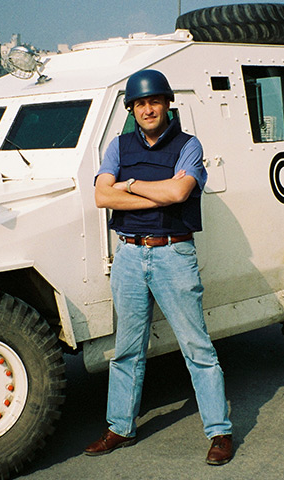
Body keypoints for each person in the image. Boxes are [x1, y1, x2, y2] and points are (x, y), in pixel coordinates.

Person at [85, 70, 233, 465]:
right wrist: (156, 191)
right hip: (130, 256)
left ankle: (219, 432)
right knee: (127, 350)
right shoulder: (118, 146)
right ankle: (120, 427)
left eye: (154, 101)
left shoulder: (188, 144)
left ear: (167, 103)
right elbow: (101, 196)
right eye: (140, 104)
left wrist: (129, 186)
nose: (147, 109)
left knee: (197, 347)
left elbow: (179, 191)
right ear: (131, 109)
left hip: (173, 255)